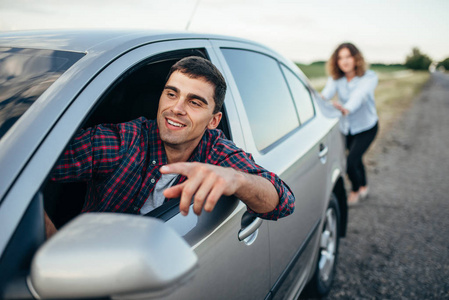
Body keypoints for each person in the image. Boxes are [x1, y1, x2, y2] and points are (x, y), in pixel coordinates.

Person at [47, 56, 295, 234]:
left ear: (213, 121)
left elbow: (284, 203)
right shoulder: (121, 139)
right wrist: (50, 243)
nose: (176, 109)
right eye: (171, 93)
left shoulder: (217, 151)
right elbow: (19, 169)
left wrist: (237, 180)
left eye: (194, 102)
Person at [321, 43, 378, 205]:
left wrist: (346, 108)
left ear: (356, 58)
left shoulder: (369, 77)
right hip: (347, 128)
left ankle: (354, 190)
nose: (344, 61)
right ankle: (364, 186)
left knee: (351, 160)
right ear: (336, 61)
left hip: (367, 127)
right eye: (340, 58)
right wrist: (319, 101)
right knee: (357, 158)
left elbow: (360, 95)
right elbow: (326, 94)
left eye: (348, 57)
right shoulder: (336, 79)